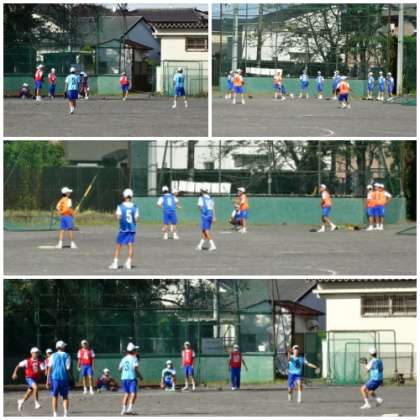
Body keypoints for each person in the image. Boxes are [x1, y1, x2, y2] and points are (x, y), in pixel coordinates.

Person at [109, 188, 139, 270]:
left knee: (118, 245)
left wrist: (115, 215)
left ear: (124, 196)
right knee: (130, 245)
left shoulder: (120, 206)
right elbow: (136, 219)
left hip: (123, 229)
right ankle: (128, 263)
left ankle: (115, 263)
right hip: (132, 229)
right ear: (131, 196)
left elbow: (118, 217)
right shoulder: (135, 207)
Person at [12, 347, 45, 412]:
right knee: (35, 387)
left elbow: (43, 370)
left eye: (38, 353)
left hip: (35, 379)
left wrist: (40, 370)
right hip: (29, 378)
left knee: (29, 393)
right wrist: (14, 373)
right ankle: (36, 403)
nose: (37, 354)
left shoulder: (40, 362)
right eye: (36, 353)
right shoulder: (27, 361)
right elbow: (18, 366)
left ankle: (21, 401)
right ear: (32, 353)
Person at [46, 340, 71, 417]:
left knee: (54, 396)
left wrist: (47, 380)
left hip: (55, 378)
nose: (65, 347)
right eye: (64, 346)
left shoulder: (52, 355)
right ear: (62, 347)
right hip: (64, 378)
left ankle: (55, 414)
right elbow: (68, 368)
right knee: (65, 396)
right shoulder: (67, 355)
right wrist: (69, 378)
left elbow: (49, 369)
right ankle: (65, 414)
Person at [119, 342, 141, 415]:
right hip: (132, 378)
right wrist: (140, 376)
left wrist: (125, 372)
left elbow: (119, 368)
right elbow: (136, 369)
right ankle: (129, 409)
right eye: (135, 350)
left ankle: (123, 410)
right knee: (133, 394)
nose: (136, 351)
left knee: (126, 394)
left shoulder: (124, 358)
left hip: (124, 378)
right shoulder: (134, 358)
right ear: (133, 351)